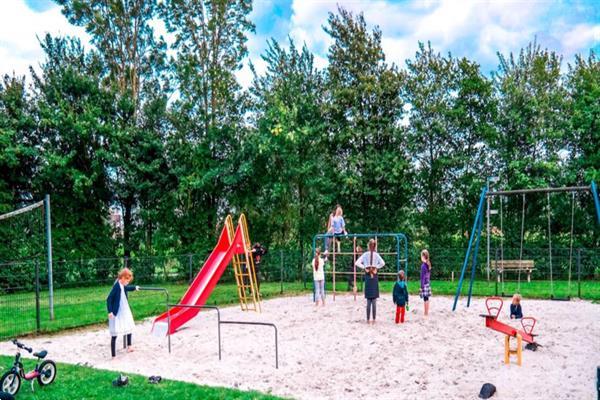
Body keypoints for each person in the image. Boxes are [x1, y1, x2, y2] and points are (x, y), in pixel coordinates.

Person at [106, 267, 139, 358]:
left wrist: (135, 288)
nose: (127, 283)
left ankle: (129, 346)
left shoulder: (122, 285)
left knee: (128, 324)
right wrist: (110, 311)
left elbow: (127, 288)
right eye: (127, 281)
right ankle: (113, 355)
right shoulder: (116, 286)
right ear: (123, 278)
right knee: (115, 332)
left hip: (124, 308)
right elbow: (109, 299)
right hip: (117, 310)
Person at [355, 239, 385, 324]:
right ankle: (374, 319)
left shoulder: (365, 254)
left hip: (368, 275)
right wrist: (376, 268)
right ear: (375, 246)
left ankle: (368, 320)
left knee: (368, 300)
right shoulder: (376, 255)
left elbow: (357, 263)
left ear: (368, 246)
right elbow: (383, 263)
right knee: (374, 300)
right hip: (374, 276)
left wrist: (365, 267)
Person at [420, 249, 432, 316]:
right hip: (427, 283)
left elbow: (422, 277)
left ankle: (425, 313)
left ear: (423, 256)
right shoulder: (428, 264)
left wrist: (421, 287)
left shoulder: (423, 266)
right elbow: (428, 275)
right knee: (427, 298)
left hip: (424, 284)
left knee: (425, 299)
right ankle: (426, 312)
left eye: (421, 256)